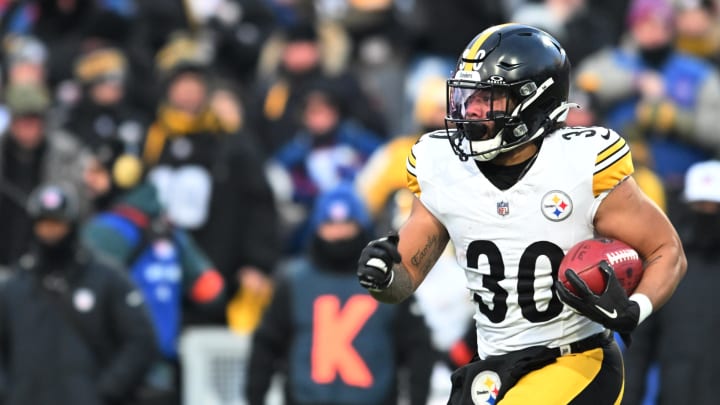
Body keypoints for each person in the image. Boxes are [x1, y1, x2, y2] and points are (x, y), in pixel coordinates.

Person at [356, 23, 687, 404]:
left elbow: (667, 251)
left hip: (575, 362)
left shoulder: (581, 164)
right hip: (495, 369)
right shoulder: (440, 163)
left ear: (533, 100)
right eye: (468, 97)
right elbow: (405, 280)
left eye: (489, 98)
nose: (472, 110)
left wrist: (635, 308)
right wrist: (382, 275)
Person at [247, 183, 435, 405]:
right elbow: (266, 344)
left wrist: (418, 399)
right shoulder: (293, 281)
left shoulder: (387, 279)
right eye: (330, 224)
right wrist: (255, 396)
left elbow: (418, 346)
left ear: (361, 227)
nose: (338, 233)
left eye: (347, 224)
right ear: (317, 227)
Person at [0, 182, 157, 405]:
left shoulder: (106, 278)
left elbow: (141, 341)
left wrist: (107, 389)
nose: (50, 232)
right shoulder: (15, 285)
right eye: (44, 223)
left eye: (57, 223)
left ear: (72, 225)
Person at [622, 160, 720, 405]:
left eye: (714, 208)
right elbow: (639, 347)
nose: (706, 214)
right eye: (699, 206)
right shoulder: (666, 267)